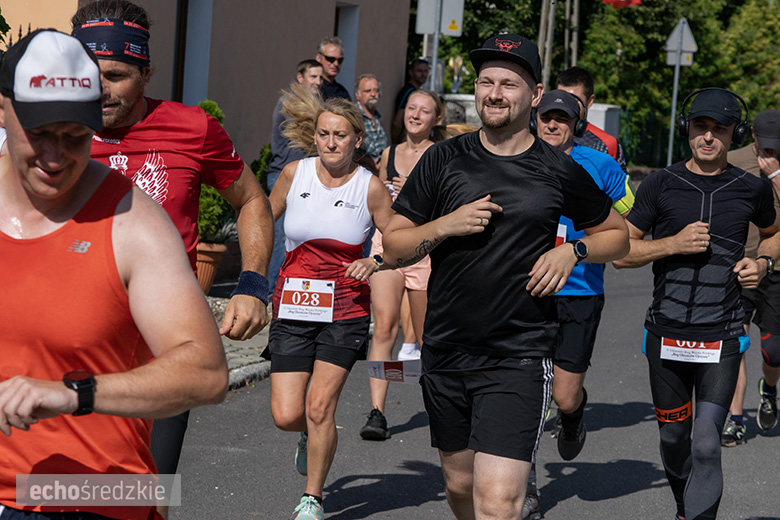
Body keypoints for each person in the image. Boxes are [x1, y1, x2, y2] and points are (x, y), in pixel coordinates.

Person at [383, 33, 629, 520]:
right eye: (486, 82)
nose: (494, 94)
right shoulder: (443, 159)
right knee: (460, 487)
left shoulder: (557, 168)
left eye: (509, 84)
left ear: (534, 95)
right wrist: (445, 225)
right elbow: (393, 246)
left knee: (498, 503)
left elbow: (618, 237)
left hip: (520, 353)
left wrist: (573, 251)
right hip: (447, 348)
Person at [0, 29, 227, 520]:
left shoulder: (131, 221)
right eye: (40, 133)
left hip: (84, 494)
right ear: (3, 110)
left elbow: (207, 372)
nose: (55, 156)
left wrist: (74, 393)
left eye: (75, 137)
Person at [71, 0, 274, 490]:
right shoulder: (52, 135)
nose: (100, 88)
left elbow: (252, 200)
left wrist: (251, 283)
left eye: (116, 75)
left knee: (147, 494)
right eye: (88, 73)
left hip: (164, 348)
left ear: (146, 74)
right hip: (69, 344)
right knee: (57, 494)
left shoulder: (192, 128)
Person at [613, 88, 780, 520]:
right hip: (666, 333)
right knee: (673, 439)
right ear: (686, 129)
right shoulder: (660, 183)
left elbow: (775, 234)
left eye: (719, 129)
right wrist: (671, 243)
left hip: (721, 334)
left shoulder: (752, 188)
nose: (708, 136)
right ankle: (684, 508)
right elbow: (621, 253)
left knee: (706, 443)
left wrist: (762, 263)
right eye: (700, 126)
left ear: (735, 134)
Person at [266, 82, 394, 520]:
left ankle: (312, 497)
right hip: (293, 304)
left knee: (320, 407)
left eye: (340, 135)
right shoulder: (294, 174)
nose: (331, 143)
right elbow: (260, 220)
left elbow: (397, 237)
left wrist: (375, 260)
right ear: (314, 136)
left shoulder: (369, 187)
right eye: (324, 134)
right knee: (287, 414)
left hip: (345, 307)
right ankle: (309, 435)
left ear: (357, 139)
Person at [523, 89, 632, 519]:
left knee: (564, 396)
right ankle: (525, 483)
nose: (552, 124)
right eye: (545, 117)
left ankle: (573, 416)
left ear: (577, 126)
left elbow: (631, 219)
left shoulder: (600, 165)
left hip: (580, 293)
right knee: (525, 394)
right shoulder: (517, 159)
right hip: (527, 290)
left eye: (562, 119)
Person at [359, 89, 447, 441]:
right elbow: (381, 201)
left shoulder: (441, 155)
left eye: (424, 111)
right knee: (384, 328)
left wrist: (416, 190)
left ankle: (441, 404)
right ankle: (377, 412)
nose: (416, 115)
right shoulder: (389, 153)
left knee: (427, 337)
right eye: (411, 108)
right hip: (388, 246)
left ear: (436, 118)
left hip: (424, 249)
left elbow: (449, 205)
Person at [722, 109, 780, 446]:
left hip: (776, 270)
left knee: (774, 351)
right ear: (753, 137)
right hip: (739, 266)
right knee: (736, 345)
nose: (770, 150)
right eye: (765, 144)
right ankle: (736, 420)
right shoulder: (733, 161)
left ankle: (769, 389)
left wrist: (775, 175)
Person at [267, 59, 324, 296]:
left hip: (303, 176)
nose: (318, 82)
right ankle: (270, 291)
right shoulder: (290, 102)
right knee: (280, 238)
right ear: (300, 78)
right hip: (285, 176)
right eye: (313, 77)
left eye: (320, 78)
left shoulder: (314, 104)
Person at [391, 58, 430, 143]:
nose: (423, 74)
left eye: (425, 71)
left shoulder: (417, 92)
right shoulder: (408, 91)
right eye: (419, 71)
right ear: (411, 72)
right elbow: (397, 122)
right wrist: (395, 144)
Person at [354, 73, 388, 170]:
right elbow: (348, 149)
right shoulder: (354, 116)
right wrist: (370, 162)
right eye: (367, 91)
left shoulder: (376, 116)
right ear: (358, 95)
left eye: (376, 90)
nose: (373, 94)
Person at [316, 36, 351, 101]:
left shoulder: (342, 92)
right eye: (331, 59)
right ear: (318, 58)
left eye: (340, 60)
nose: (336, 64)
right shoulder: (313, 87)